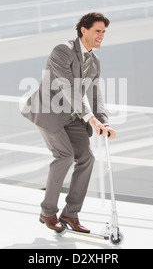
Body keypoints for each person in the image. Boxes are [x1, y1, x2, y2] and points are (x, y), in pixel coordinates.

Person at [21, 12, 116, 233]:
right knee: (64, 156)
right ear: (84, 30)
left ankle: (70, 213)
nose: (101, 35)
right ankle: (47, 212)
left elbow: (94, 93)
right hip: (49, 113)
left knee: (87, 159)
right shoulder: (62, 50)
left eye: (103, 32)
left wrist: (104, 121)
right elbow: (68, 87)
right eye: (97, 31)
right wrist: (90, 118)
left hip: (73, 117)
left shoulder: (94, 61)